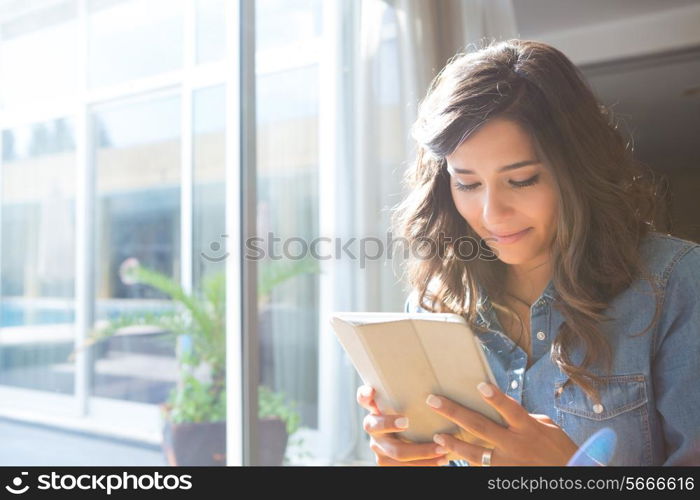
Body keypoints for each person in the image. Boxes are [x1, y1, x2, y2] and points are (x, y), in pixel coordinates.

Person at [355, 39, 700, 466]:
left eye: (521, 181)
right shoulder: (434, 306)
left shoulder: (675, 286)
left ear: (578, 171)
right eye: (467, 183)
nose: (491, 214)